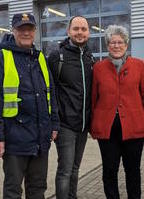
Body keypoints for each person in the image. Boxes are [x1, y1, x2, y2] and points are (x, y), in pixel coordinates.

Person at [90, 25, 144, 199]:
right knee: (109, 169)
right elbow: (93, 98)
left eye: (120, 42)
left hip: (134, 128)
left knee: (133, 170)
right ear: (107, 45)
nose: (116, 45)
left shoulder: (140, 66)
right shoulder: (98, 68)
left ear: (126, 45)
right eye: (112, 42)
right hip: (107, 128)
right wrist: (93, 126)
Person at [0, 13, 59, 199]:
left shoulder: (40, 57)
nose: (26, 33)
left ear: (35, 31)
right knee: (13, 191)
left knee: (38, 188)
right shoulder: (3, 57)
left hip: (40, 138)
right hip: (14, 139)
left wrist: (54, 124)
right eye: (21, 29)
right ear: (13, 31)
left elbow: (51, 93)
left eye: (29, 29)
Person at [48, 16, 94, 199]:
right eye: (76, 29)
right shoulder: (57, 56)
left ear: (88, 32)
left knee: (75, 169)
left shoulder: (89, 57)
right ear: (68, 32)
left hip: (83, 125)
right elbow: (49, 90)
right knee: (65, 170)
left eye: (83, 29)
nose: (80, 32)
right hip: (65, 124)